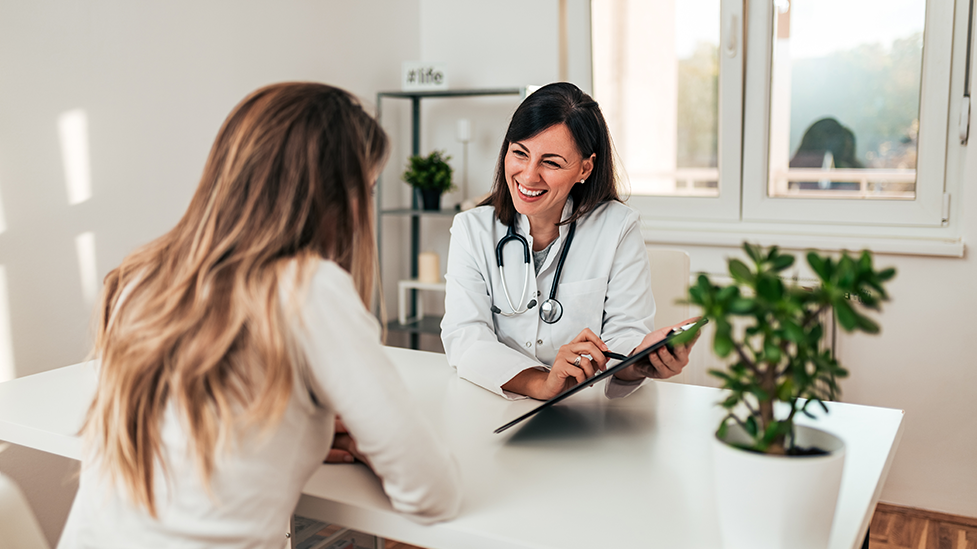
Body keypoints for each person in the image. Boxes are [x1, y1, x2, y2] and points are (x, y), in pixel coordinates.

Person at [58, 83, 461, 549]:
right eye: (367, 189)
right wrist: (376, 443)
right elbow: (434, 494)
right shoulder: (308, 288)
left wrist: (298, 421)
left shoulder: (139, 276)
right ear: (333, 195)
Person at [440, 82, 698, 401]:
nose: (529, 176)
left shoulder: (617, 227)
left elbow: (625, 336)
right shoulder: (472, 229)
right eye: (520, 153)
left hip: (587, 411)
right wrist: (541, 383)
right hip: (494, 405)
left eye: (551, 162)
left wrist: (641, 361)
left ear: (584, 168)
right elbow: (466, 337)